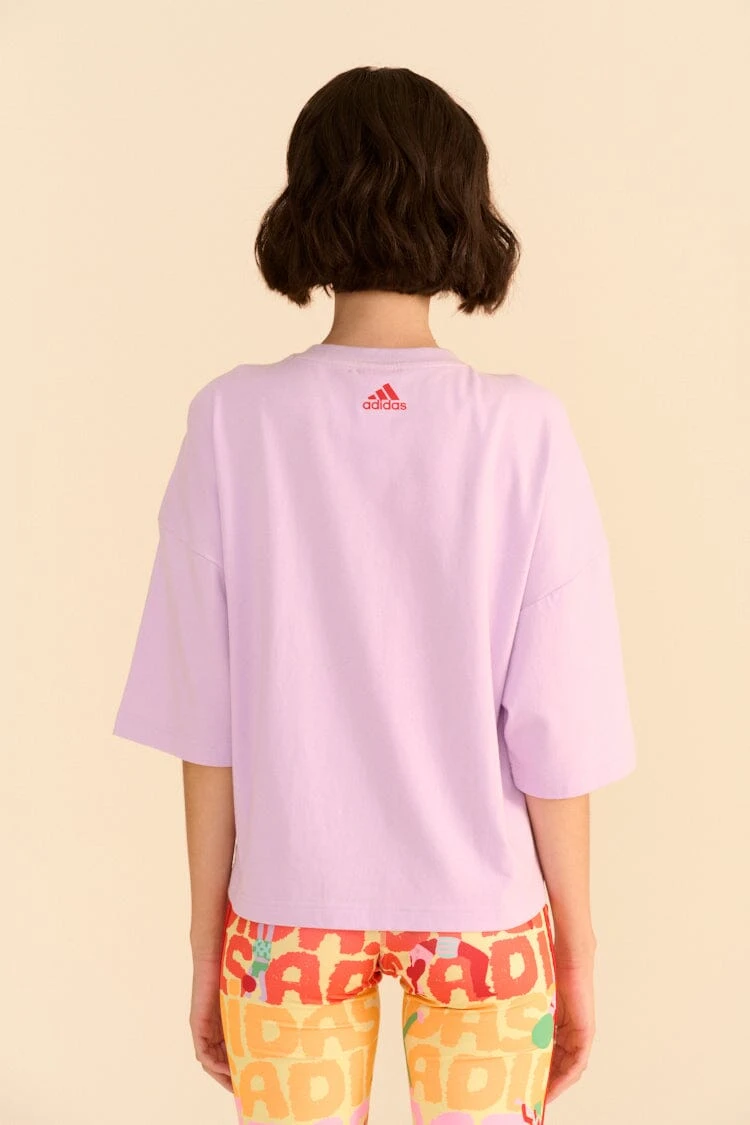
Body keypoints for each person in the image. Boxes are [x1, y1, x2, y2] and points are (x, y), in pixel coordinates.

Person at [112, 65, 636, 1125]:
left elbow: (203, 722)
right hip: (486, 918)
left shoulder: (232, 421)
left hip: (286, 913)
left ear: (305, 201)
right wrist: (576, 952)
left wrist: (208, 944)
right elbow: (558, 727)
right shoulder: (524, 430)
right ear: (464, 206)